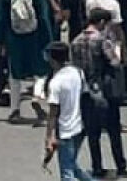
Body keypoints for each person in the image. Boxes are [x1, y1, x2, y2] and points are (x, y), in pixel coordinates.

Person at [0, 0, 57, 123]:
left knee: (14, 74)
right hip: (35, 37)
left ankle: (14, 110)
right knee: (41, 70)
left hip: (14, 38)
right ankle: (37, 94)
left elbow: (0, 20)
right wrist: (49, 38)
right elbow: (43, 17)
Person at [71, 8, 127, 178]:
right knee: (113, 130)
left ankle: (97, 166)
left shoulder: (76, 41)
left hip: (85, 91)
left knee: (92, 132)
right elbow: (115, 63)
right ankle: (120, 165)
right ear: (102, 22)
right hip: (105, 90)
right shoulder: (102, 40)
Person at [44, 41, 94, 181]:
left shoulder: (56, 83)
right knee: (72, 165)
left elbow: (53, 114)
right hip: (80, 127)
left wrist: (49, 138)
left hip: (65, 132)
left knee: (67, 173)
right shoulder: (78, 72)